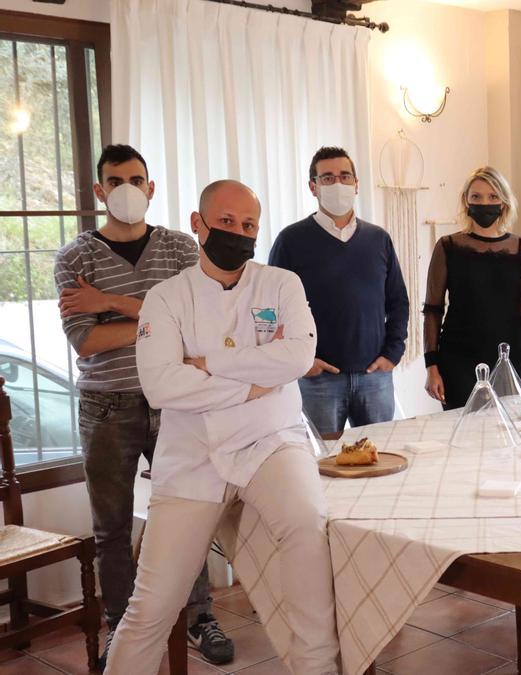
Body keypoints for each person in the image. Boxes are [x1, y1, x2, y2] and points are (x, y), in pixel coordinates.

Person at [107, 180, 338, 675]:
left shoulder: (281, 284)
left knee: (306, 528)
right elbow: (163, 386)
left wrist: (208, 363)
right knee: (151, 605)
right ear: (199, 224)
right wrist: (254, 382)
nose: (239, 233)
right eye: (227, 223)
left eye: (249, 225)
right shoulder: (166, 299)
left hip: (271, 442)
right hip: (193, 455)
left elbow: (297, 355)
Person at [53, 145, 232, 667]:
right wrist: (159, 322)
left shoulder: (179, 249)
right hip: (107, 406)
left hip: (177, 402)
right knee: (111, 529)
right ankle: (123, 628)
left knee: (190, 513)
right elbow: (86, 342)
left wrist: (108, 303)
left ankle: (200, 617)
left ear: (151, 188)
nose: (127, 188)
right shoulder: (75, 258)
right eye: (116, 180)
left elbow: (199, 329)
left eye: (137, 179)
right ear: (99, 190)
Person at [269, 146, 409, 435]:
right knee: (321, 466)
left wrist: (393, 353)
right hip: (317, 380)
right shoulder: (291, 241)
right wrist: (301, 363)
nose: (338, 184)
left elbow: (398, 302)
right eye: (328, 178)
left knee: (380, 457)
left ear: (357, 185)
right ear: (313, 186)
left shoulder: (378, 239)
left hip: (375, 378)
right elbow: (271, 309)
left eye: (345, 176)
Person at [423, 167, 521, 409]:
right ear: (466, 201)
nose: (484, 202)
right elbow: (433, 310)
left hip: (507, 359)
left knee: (507, 435)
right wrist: (431, 366)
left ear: (504, 202)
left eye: (492, 197)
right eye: (476, 197)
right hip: (458, 359)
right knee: (466, 435)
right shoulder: (448, 246)